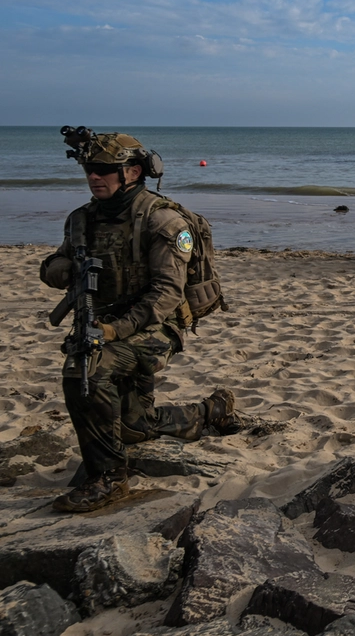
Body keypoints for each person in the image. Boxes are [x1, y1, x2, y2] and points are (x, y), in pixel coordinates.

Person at [39, 129, 241, 513]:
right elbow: (51, 264)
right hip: (106, 324)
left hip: (155, 330)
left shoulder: (162, 221)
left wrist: (114, 330)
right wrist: (63, 270)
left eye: (103, 170)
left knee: (86, 368)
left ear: (132, 173)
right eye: (89, 169)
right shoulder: (82, 220)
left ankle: (109, 479)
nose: (94, 177)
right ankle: (210, 411)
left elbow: (165, 295)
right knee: (134, 427)